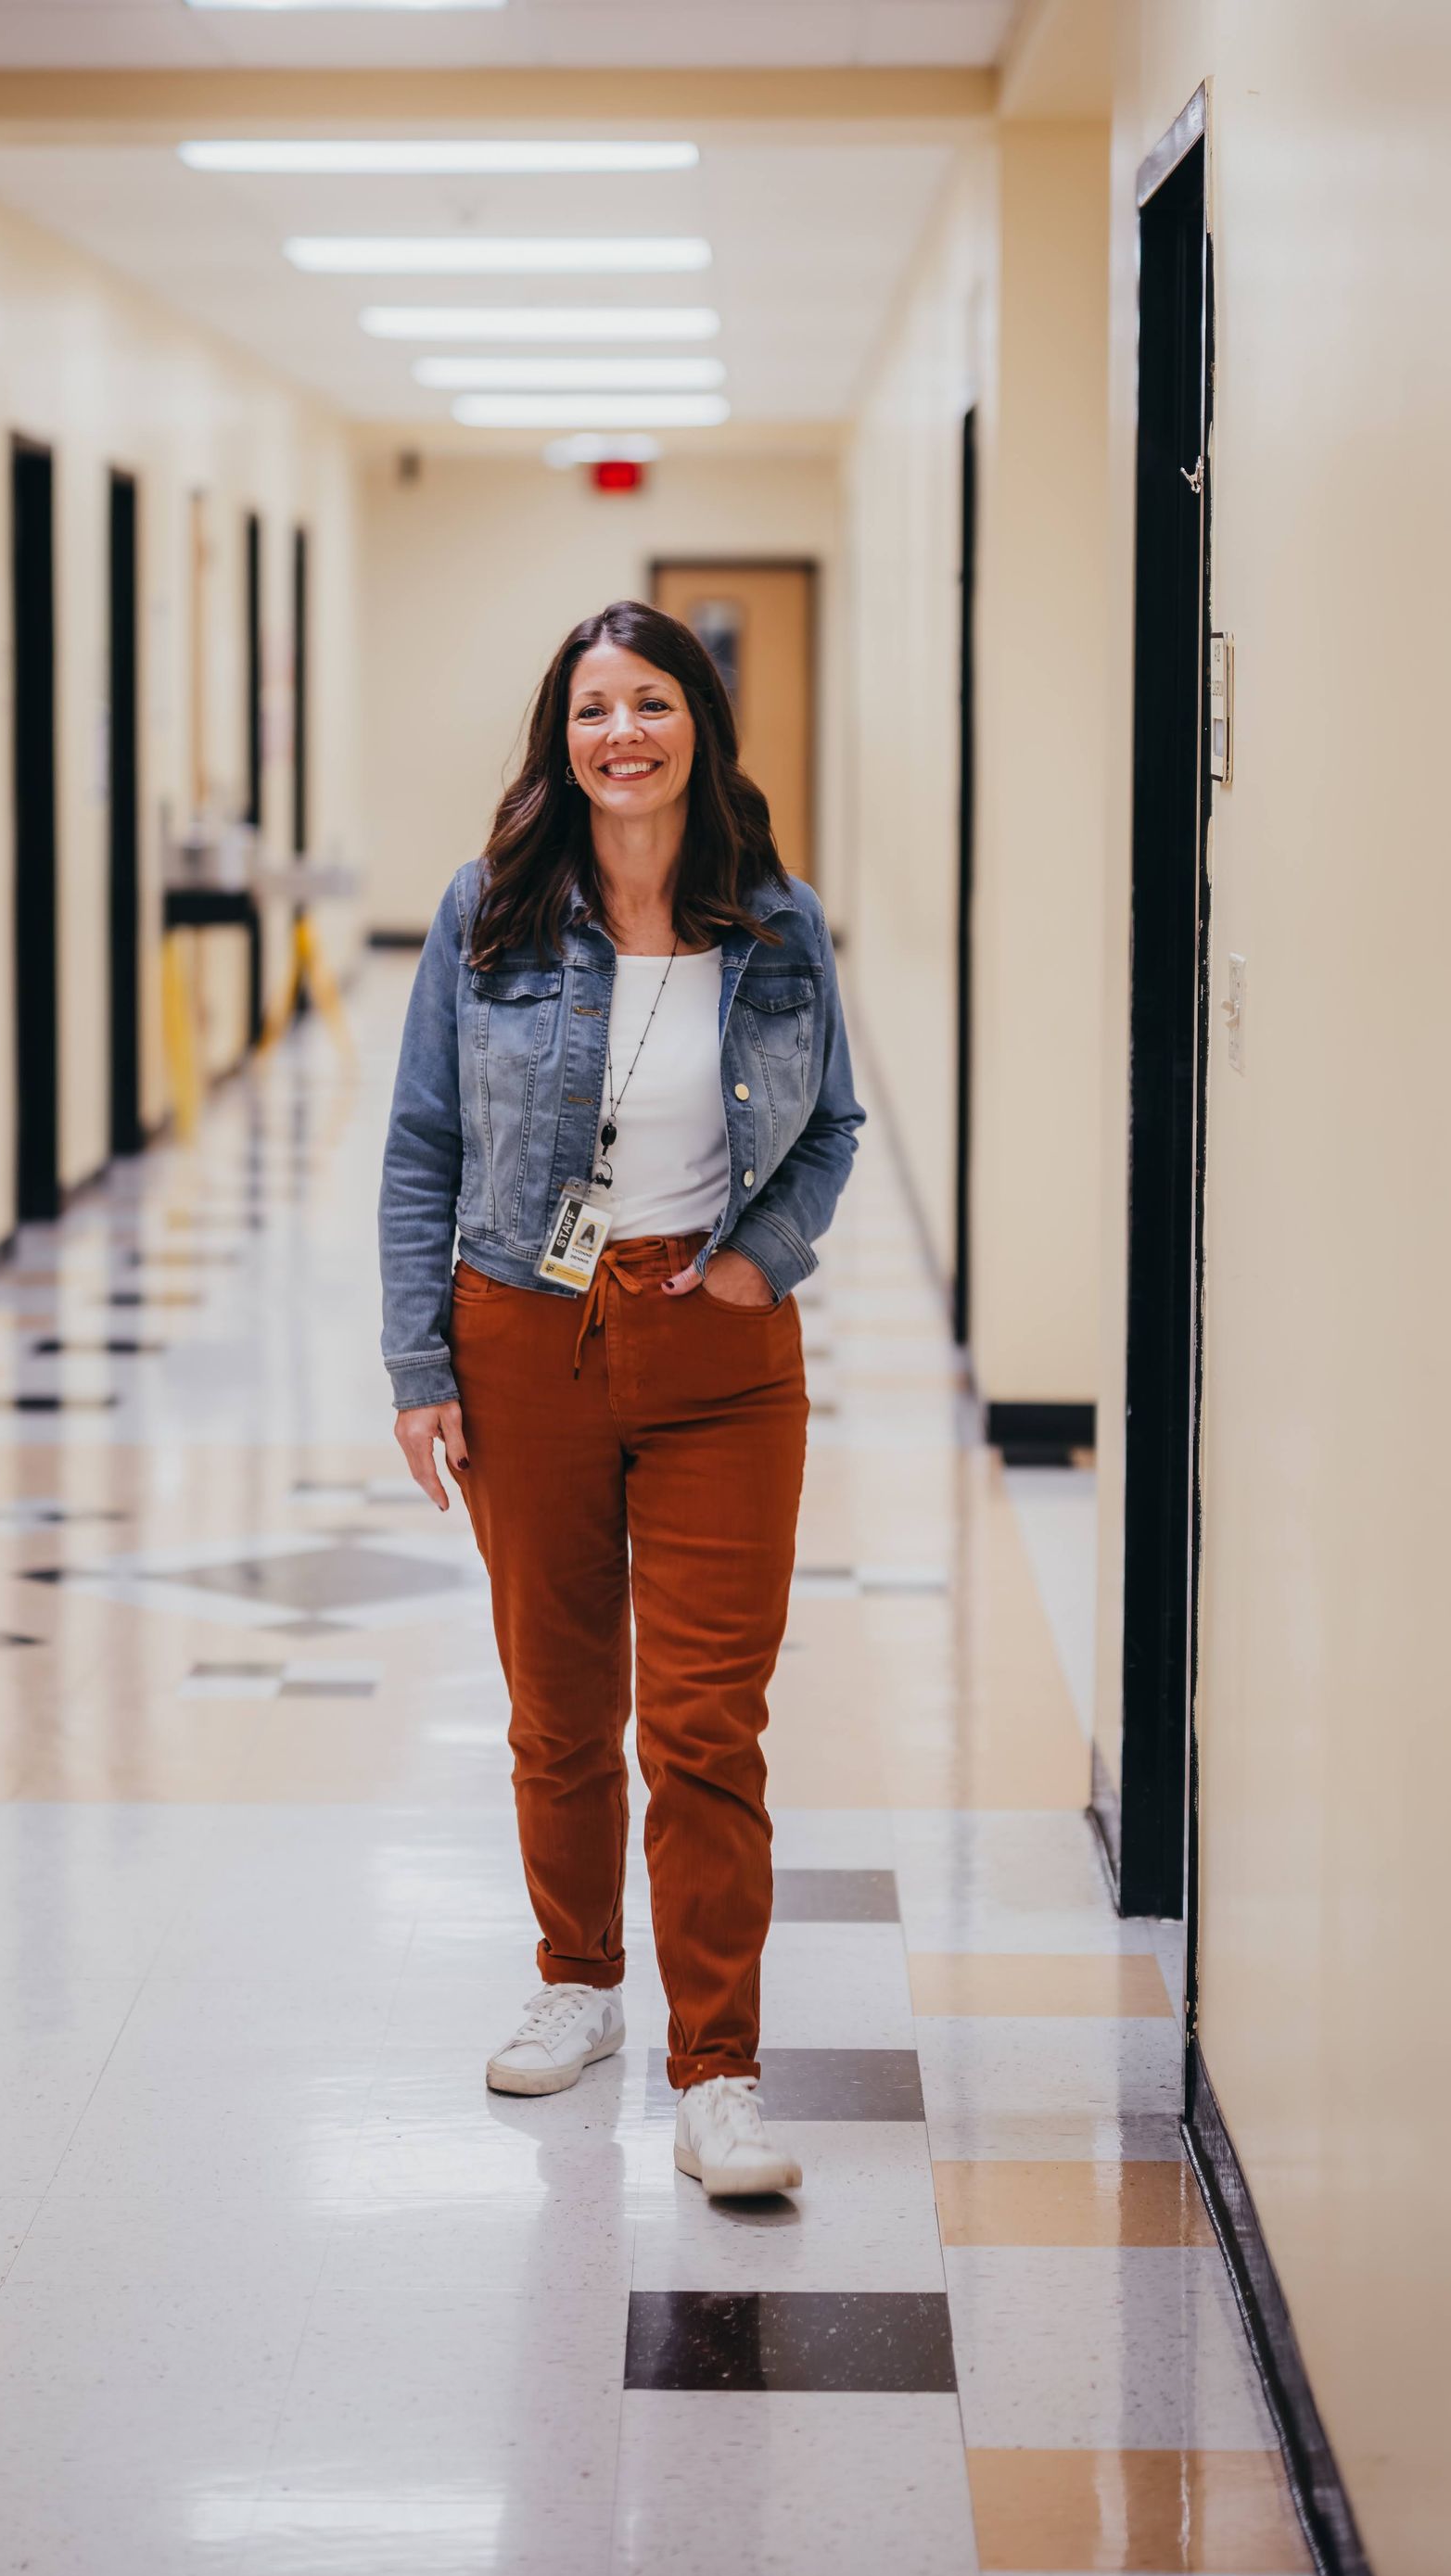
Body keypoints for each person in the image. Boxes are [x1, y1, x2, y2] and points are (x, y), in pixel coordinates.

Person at [379, 600, 863, 2199]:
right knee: (559, 1708)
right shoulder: (493, 912)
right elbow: (423, 1148)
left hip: (722, 1356)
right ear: (560, 739)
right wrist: (418, 1368)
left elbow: (834, 1129)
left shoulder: (776, 923)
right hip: (525, 1333)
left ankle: (718, 2070)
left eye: (652, 703)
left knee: (710, 1725)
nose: (623, 735)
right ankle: (578, 1981)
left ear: (699, 729)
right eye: (595, 710)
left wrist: (755, 1261)